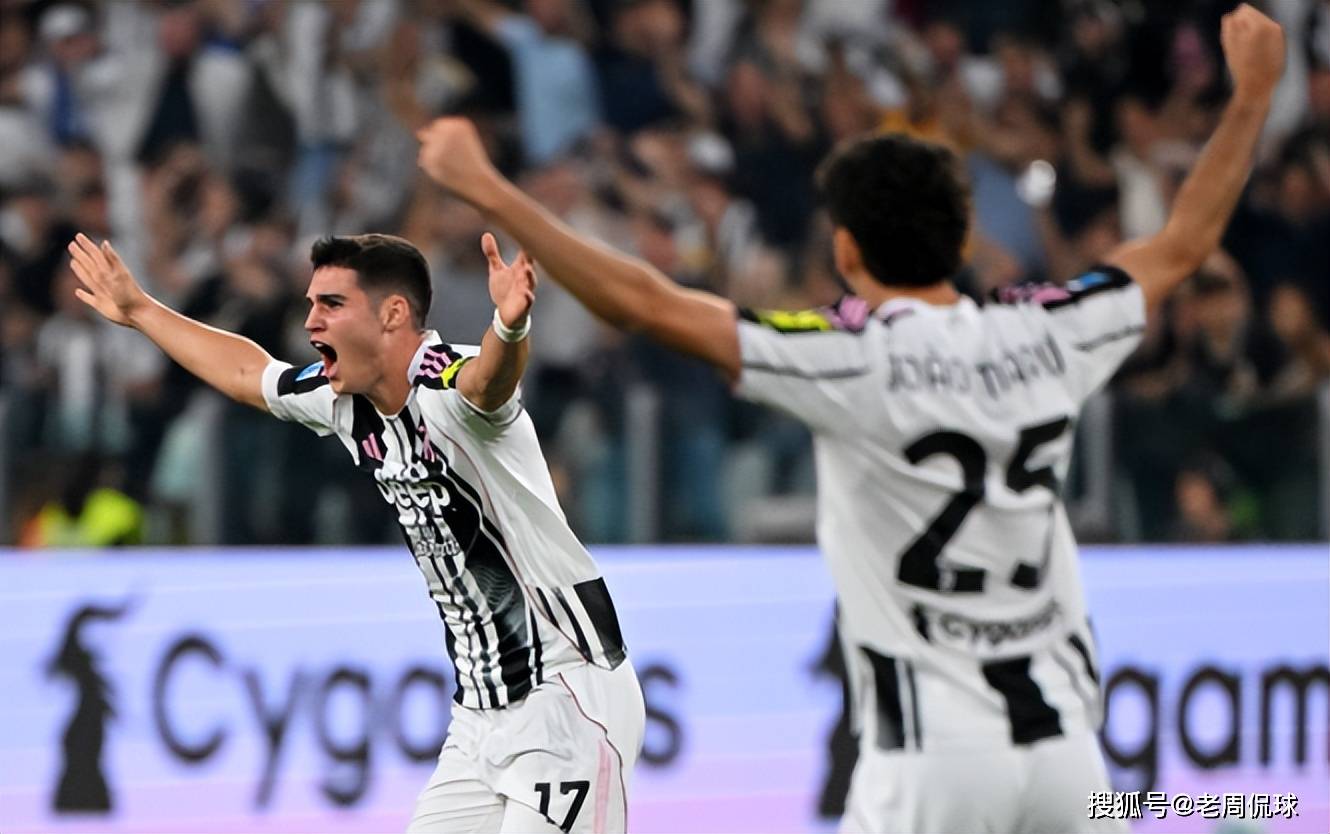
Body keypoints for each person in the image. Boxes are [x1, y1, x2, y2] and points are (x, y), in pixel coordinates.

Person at [414, 5, 1285, 832]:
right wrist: (1250, 94)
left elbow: (647, 303)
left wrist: (492, 190)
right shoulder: (1049, 332)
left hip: (930, 763)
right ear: (963, 236)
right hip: (1068, 758)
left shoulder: (847, 355)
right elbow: (1181, 244)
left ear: (845, 251)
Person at [65, 230, 643, 833]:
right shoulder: (342, 399)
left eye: (332, 304)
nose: (311, 320)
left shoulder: (447, 383)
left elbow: (488, 382)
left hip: (567, 693)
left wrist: (510, 326)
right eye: (311, 303)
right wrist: (140, 310)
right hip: (480, 714)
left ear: (392, 314)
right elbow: (247, 372)